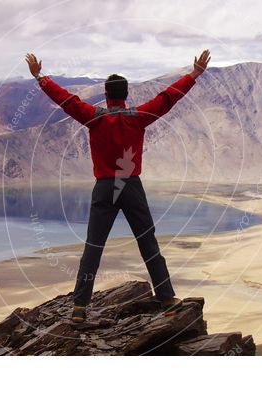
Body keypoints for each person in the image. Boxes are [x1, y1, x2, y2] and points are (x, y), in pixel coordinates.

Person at [25, 50, 211, 322]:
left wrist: (40, 77)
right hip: (131, 186)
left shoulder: (94, 117)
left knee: (93, 247)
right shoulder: (139, 116)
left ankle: (79, 307)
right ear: (125, 94)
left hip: (104, 188)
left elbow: (66, 100)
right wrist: (194, 74)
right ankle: (167, 298)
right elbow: (168, 97)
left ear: (106, 95)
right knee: (148, 242)